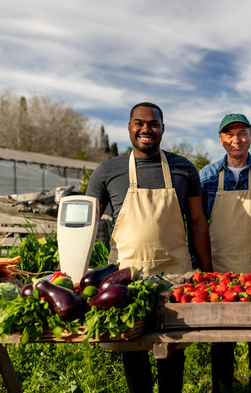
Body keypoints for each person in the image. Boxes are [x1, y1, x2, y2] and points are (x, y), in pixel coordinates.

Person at [86, 102, 212, 393]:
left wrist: (206, 271)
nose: (146, 129)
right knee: (132, 349)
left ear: (163, 128)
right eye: (139, 123)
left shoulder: (183, 169)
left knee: (173, 349)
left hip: (175, 277)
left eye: (153, 123)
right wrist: (73, 268)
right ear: (129, 127)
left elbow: (197, 222)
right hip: (126, 279)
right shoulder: (107, 171)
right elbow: (86, 222)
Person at [199, 113, 251, 392]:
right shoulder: (206, 176)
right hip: (220, 270)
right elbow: (197, 224)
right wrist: (201, 267)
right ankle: (223, 387)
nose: (236, 140)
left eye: (242, 133)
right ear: (221, 140)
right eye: (229, 134)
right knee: (221, 338)